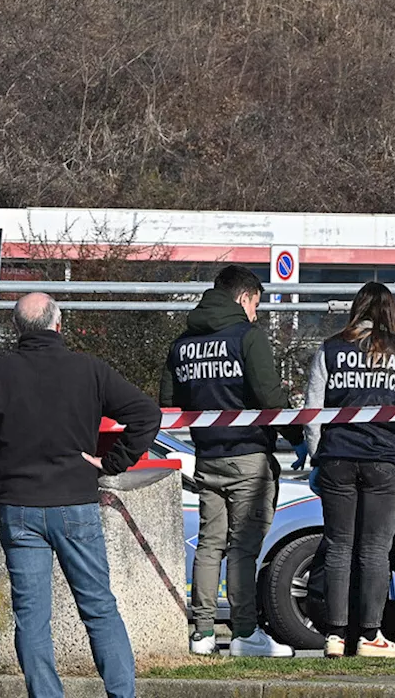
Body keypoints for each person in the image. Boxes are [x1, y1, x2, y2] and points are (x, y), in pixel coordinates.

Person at [0, 293, 160, 698]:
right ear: (59, 325)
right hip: (75, 503)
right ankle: (121, 694)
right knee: (99, 609)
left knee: (32, 619)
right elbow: (145, 413)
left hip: (19, 507)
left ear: (18, 329)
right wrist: (111, 462)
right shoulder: (87, 369)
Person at [159, 264, 303, 657]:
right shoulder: (248, 337)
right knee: (242, 548)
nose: (255, 314)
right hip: (248, 460)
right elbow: (271, 399)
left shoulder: (183, 343)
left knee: (209, 546)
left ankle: (202, 633)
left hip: (207, 457)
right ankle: (244, 633)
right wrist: (299, 438)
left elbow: (169, 403)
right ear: (243, 298)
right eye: (255, 304)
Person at [304, 282, 395, 658]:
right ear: (391, 312)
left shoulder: (330, 349)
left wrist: (315, 456)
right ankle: (371, 636)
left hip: (337, 458)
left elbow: (312, 412)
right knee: (376, 549)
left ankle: (336, 636)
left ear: (356, 309)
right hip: (385, 460)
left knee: (338, 547)